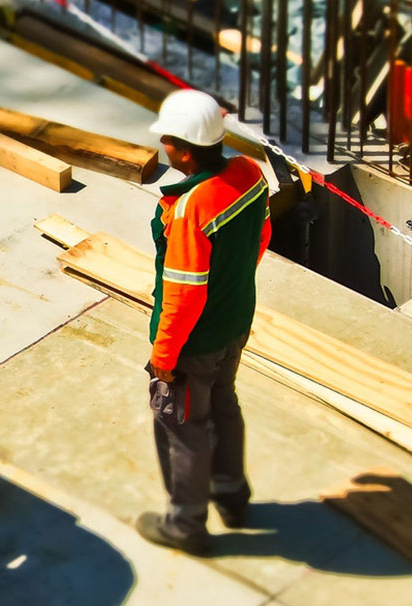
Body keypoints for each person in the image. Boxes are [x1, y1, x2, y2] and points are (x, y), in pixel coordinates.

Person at [137, 89, 273, 555]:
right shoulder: (250, 175)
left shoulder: (193, 205)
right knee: (223, 405)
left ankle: (186, 525)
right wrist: (233, 293)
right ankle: (232, 496)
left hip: (195, 340)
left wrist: (164, 356)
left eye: (168, 141)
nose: (164, 148)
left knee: (181, 423)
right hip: (235, 322)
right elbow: (262, 235)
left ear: (186, 149)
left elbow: (183, 292)